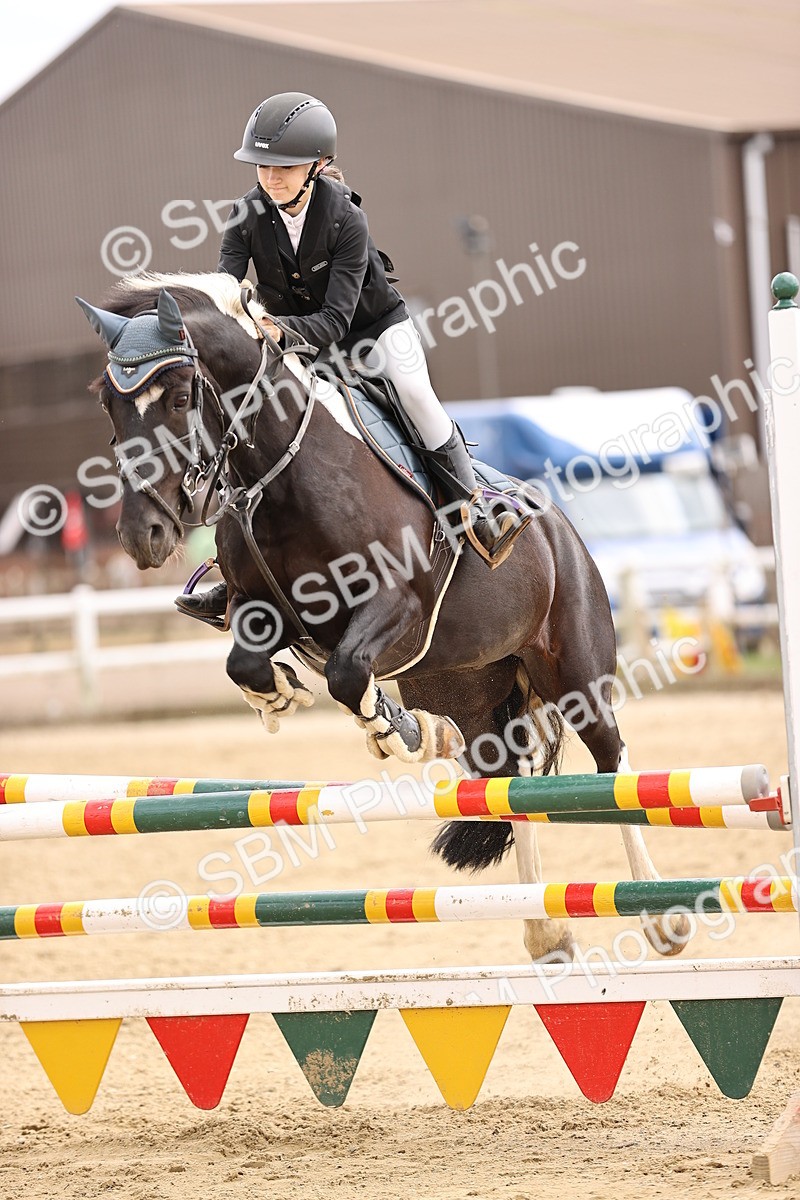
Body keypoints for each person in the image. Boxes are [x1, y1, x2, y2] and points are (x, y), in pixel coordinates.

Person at [178, 92, 529, 623]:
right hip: (291, 338)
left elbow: (338, 322)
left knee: (414, 394)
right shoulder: (246, 214)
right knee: (251, 419)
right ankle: (234, 575)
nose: (271, 178)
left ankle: (471, 506)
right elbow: (228, 285)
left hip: (371, 330)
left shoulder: (345, 219)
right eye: (263, 166)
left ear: (317, 166)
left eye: (285, 167)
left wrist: (272, 328)